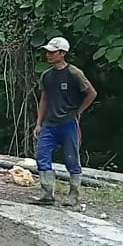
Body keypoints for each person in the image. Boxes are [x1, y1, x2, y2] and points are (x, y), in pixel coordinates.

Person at [33, 37, 98, 209]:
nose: (48, 55)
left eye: (52, 52)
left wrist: (79, 111)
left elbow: (91, 93)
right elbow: (44, 99)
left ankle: (73, 195)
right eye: (48, 52)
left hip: (68, 123)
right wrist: (39, 123)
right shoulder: (47, 75)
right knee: (42, 156)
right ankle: (47, 193)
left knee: (71, 159)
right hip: (49, 123)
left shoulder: (74, 73)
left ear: (62, 53)